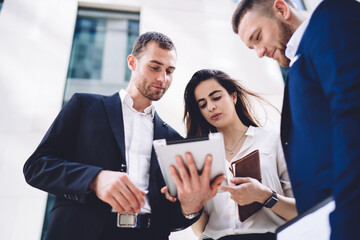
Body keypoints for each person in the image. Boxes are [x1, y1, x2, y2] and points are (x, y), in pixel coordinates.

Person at [23, 32, 222, 240]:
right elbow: (36, 166)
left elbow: (171, 219)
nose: (162, 78)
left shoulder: (173, 139)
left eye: (169, 71)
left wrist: (190, 207)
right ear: (132, 62)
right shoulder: (84, 106)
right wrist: (95, 179)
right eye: (154, 67)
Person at [232, 0, 360, 239]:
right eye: (252, 48)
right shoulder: (299, 66)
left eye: (257, 37)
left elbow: (352, 117)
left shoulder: (329, 20)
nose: (259, 52)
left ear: (281, 9)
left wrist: (345, 222)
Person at [164, 69, 297, 240]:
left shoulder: (272, 140)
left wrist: (263, 195)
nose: (211, 107)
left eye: (216, 97)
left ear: (233, 97)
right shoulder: (199, 155)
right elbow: (200, 230)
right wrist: (191, 205)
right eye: (203, 104)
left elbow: (299, 212)